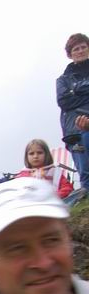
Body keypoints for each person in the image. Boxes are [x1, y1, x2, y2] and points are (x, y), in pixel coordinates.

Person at [57, 33, 89, 191]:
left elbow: (71, 100)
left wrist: (77, 89)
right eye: (76, 48)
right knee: (86, 172)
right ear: (70, 54)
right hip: (75, 132)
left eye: (84, 47)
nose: (81, 51)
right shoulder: (63, 80)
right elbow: (64, 101)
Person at [16, 138, 84, 204]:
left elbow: (67, 187)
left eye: (39, 153)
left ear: (46, 155)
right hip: (31, 204)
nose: (35, 156)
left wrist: (56, 196)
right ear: (26, 157)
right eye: (31, 153)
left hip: (53, 201)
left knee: (80, 192)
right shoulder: (23, 175)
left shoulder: (54, 171)